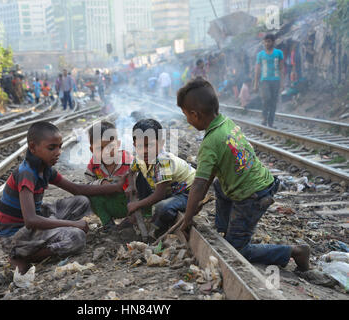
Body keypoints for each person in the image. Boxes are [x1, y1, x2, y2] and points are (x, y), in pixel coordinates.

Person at [176, 78, 310, 271]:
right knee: (219, 185)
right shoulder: (225, 123)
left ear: (195, 115)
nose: (186, 119)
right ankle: (224, 230)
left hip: (252, 196)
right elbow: (210, 175)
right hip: (262, 182)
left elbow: (197, 185)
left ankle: (294, 252)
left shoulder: (210, 143)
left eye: (185, 115)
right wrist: (194, 205)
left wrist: (187, 218)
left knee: (237, 249)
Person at [0, 121, 127, 275]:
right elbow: (30, 220)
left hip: (35, 219)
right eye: (51, 148)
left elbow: (77, 189)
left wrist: (117, 187)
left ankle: (36, 244)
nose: (58, 152)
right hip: (15, 234)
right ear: (32, 147)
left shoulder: (45, 169)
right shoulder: (26, 173)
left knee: (82, 201)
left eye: (59, 146)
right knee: (76, 237)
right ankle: (23, 255)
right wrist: (74, 224)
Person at [126, 119, 196, 238]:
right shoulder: (140, 157)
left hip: (188, 192)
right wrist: (131, 185)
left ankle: (157, 230)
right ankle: (146, 213)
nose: (145, 150)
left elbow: (159, 196)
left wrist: (136, 205)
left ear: (161, 143)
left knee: (162, 207)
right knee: (141, 179)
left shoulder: (163, 161)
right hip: (169, 189)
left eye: (150, 145)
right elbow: (131, 171)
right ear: (134, 145)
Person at [85, 121, 133, 231]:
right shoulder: (93, 165)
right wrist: (101, 183)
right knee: (90, 196)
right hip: (109, 203)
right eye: (99, 148)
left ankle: (131, 221)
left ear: (118, 144)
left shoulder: (129, 161)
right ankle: (108, 224)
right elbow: (88, 184)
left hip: (129, 203)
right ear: (92, 149)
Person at [254, 34, 284, 127]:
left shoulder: (279, 53)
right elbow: (258, 69)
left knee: (274, 101)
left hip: (276, 80)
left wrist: (282, 83)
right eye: (265, 41)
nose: (267, 43)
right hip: (264, 80)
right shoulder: (260, 55)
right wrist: (256, 83)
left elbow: (281, 68)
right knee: (267, 98)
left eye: (269, 41)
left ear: (273, 42)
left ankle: (271, 121)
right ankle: (264, 117)